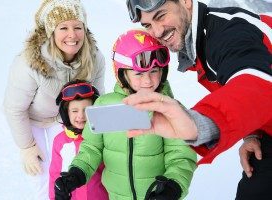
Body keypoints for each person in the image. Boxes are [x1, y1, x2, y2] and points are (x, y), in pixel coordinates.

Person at [124, 0, 272, 198]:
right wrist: (252, 133)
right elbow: (241, 81)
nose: (157, 32)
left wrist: (196, 124)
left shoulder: (228, 31)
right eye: (148, 25)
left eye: (160, 16)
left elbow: (255, 81)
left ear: (185, 2)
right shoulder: (204, 40)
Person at [54, 29, 197, 200]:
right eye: (139, 73)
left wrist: (172, 186)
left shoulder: (170, 110)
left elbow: (180, 156)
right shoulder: (106, 106)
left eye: (154, 71)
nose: (148, 80)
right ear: (122, 74)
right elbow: (92, 148)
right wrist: (77, 173)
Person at [3, 0, 105, 199]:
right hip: (32, 118)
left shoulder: (94, 57)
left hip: (66, 116)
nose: (72, 35)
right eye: (63, 28)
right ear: (51, 31)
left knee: (71, 164)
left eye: (77, 27)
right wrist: (27, 147)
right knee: (39, 170)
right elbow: (14, 108)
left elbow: (97, 101)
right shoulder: (30, 62)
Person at [49, 80, 108, 200]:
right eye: (74, 111)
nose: (81, 116)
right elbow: (55, 174)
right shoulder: (60, 141)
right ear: (66, 113)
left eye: (86, 110)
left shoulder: (102, 137)